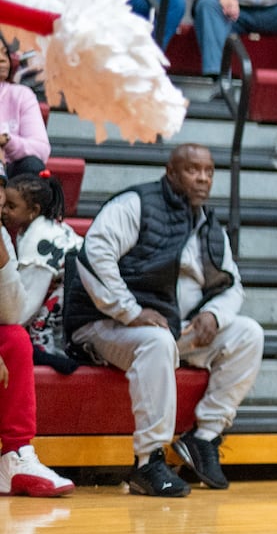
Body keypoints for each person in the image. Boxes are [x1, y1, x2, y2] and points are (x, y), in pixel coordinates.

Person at [62, 145, 265, 496]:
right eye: (193, 170)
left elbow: (233, 285)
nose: (203, 178)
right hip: (105, 326)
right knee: (156, 341)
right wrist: (130, 311)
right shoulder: (135, 205)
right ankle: (148, 462)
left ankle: (203, 438)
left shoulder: (210, 226)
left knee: (248, 333)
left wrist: (213, 315)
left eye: (209, 171)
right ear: (171, 173)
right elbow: (93, 257)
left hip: (173, 329)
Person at [0, 173, 78, 498]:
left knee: (15, 340)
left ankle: (14, 456)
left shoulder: (6, 238)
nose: (1, 211)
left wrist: (1, 260)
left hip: (68, 325)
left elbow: (12, 313)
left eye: (3, 203)